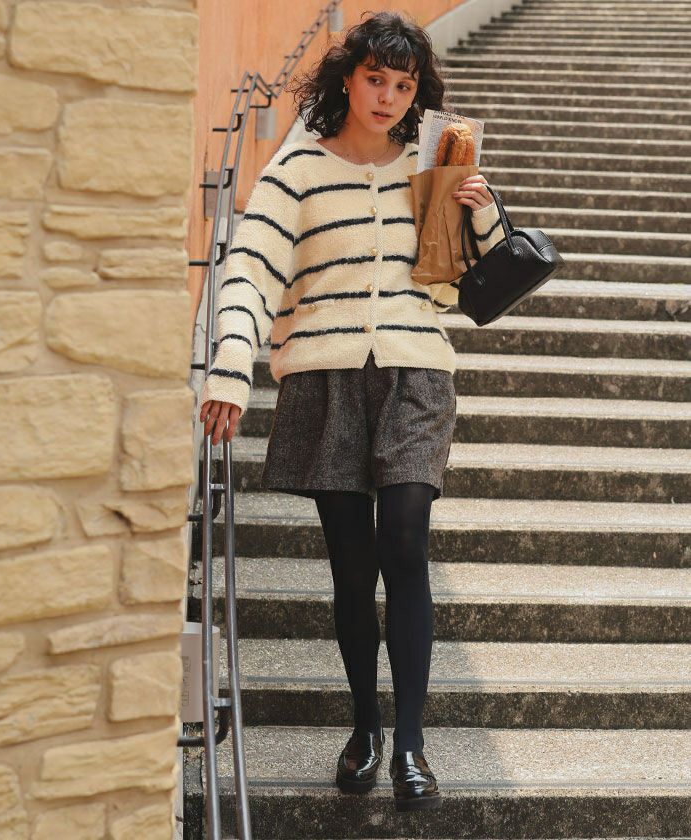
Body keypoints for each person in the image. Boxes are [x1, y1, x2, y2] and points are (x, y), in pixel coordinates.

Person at [199, 9, 503, 813]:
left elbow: (471, 283)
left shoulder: (432, 164)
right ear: (348, 77)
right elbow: (250, 270)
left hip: (415, 371)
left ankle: (410, 743)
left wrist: (479, 209)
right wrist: (229, 369)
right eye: (376, 79)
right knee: (351, 563)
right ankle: (365, 725)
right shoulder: (296, 168)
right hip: (325, 376)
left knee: (405, 540)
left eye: (404, 85)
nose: (388, 97)